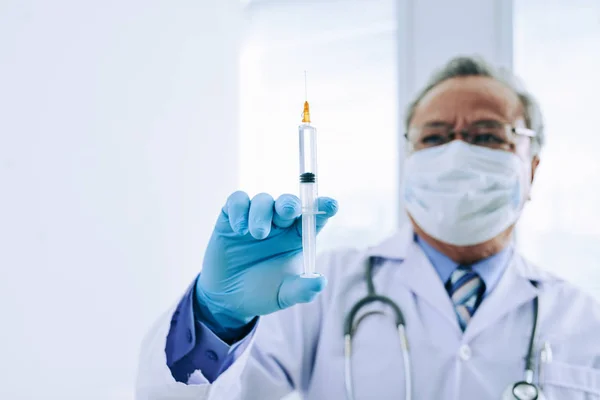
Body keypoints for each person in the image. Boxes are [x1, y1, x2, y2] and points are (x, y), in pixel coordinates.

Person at [135, 56, 600, 400]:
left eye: (486, 135)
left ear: (532, 169)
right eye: (434, 137)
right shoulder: (317, 290)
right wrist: (217, 320)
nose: (457, 153)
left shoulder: (584, 321)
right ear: (409, 159)